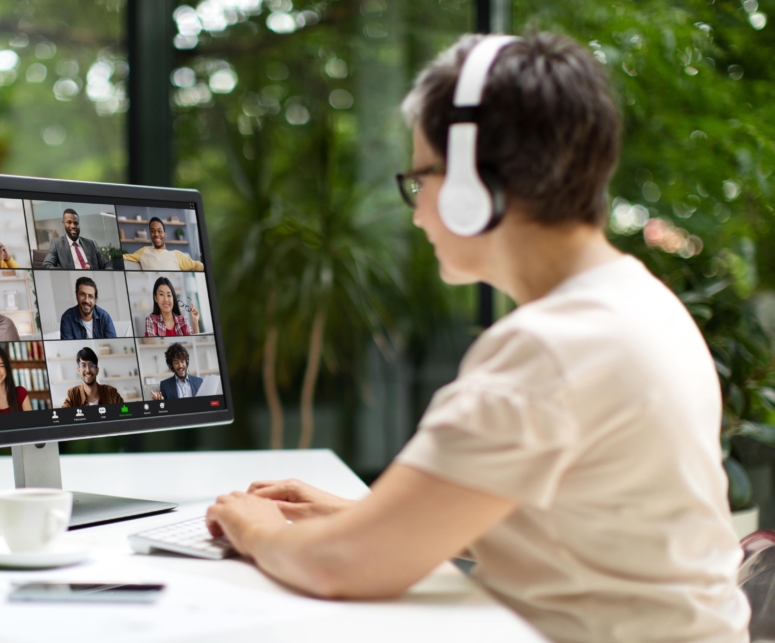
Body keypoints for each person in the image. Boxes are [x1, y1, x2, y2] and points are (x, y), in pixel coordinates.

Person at [203, 33, 749, 643]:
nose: (416, 213)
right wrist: (359, 517)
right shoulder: (637, 300)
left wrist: (252, 526)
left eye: (420, 180)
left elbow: (339, 567)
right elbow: (569, 517)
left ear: (470, 181)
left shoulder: (553, 345)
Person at [40, 208, 112, 270]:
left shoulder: (90, 244)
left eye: (76, 223)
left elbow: (107, 265)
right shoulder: (57, 244)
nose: (73, 226)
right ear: (63, 223)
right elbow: (47, 265)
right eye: (69, 222)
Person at [123, 217, 204, 271]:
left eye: (159, 231)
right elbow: (124, 257)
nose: (156, 234)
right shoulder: (144, 251)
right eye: (152, 231)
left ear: (165, 234)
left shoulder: (177, 255)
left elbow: (197, 265)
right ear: (150, 234)